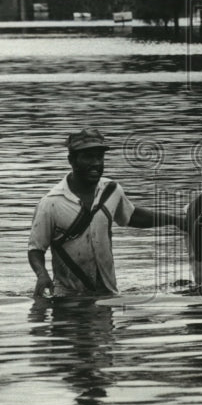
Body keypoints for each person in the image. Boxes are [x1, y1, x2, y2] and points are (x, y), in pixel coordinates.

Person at [28, 128, 186, 298]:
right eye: (88, 157)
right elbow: (36, 249)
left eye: (99, 157)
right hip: (67, 297)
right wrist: (41, 275)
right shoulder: (51, 203)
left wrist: (176, 220)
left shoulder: (111, 191)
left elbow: (131, 216)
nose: (96, 163)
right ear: (71, 160)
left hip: (109, 294)